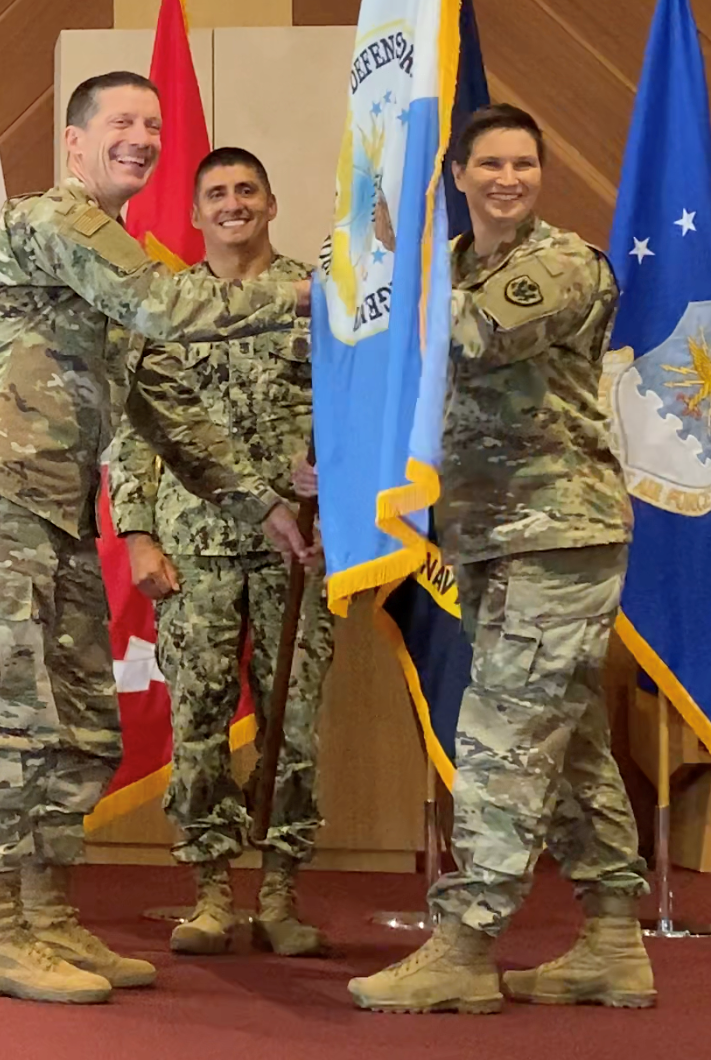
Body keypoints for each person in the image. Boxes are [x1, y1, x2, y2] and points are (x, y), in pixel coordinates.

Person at [0, 71, 316, 1006]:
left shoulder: (118, 261)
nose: (141, 137)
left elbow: (168, 405)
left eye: (153, 124)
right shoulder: (52, 224)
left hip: (56, 517)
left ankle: (49, 919)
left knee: (81, 728)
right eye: (122, 123)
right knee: (4, 728)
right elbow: (172, 309)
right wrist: (312, 299)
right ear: (75, 142)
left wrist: (260, 504)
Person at [348, 104, 655, 1014]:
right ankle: (611, 940)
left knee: (501, 737)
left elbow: (466, 338)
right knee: (565, 742)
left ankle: (466, 943)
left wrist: (385, 270)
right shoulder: (444, 267)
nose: (507, 178)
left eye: (524, 162)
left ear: (540, 174)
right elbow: (403, 378)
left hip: (559, 533)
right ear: (459, 175)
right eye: (490, 163)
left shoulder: (559, 265)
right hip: (485, 537)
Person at [107, 148, 332, 958]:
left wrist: (334, 477)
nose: (233, 204)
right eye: (216, 195)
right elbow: (134, 427)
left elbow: (359, 410)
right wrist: (136, 535)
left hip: (298, 545)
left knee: (291, 723)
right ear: (195, 215)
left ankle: (280, 893)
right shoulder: (167, 306)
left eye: (247, 191)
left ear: (272, 204)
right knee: (198, 721)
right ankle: (209, 892)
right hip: (191, 545)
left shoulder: (323, 300)